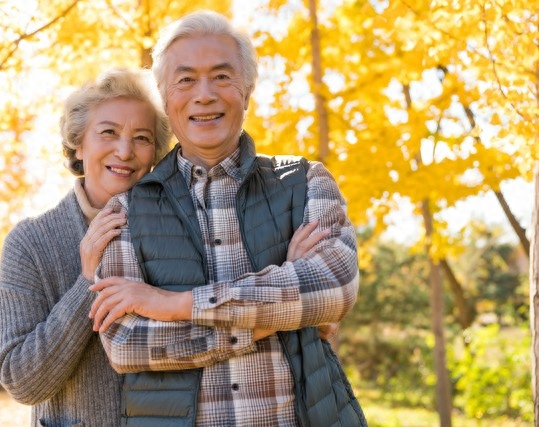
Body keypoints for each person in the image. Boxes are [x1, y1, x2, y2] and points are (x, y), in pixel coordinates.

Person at [90, 10, 368, 427]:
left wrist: (176, 305)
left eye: (222, 76)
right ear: (166, 98)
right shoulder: (124, 212)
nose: (204, 94)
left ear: (248, 90)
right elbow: (128, 345)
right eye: (185, 80)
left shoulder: (306, 180)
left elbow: (336, 287)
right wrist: (283, 306)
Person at [0, 67, 171, 427]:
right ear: (78, 141)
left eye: (142, 138)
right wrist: (88, 281)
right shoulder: (30, 243)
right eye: (108, 132)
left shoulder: (178, 229)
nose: (125, 150)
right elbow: (21, 381)